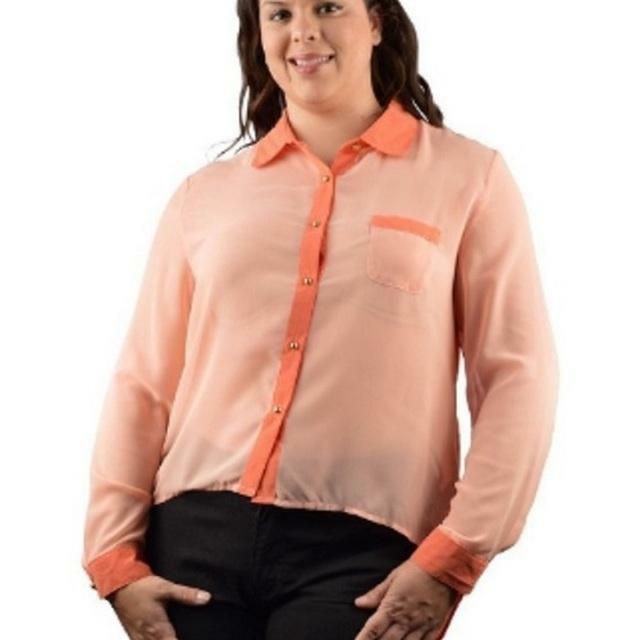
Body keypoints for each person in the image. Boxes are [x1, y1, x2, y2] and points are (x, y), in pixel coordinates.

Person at [81, 0, 559, 638]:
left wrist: (456, 554)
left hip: (366, 551)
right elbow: (143, 383)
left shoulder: (469, 178)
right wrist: (114, 559)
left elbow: (517, 375)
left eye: (327, 6)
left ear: (376, 22)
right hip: (192, 537)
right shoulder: (205, 196)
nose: (303, 30)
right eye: (279, 13)